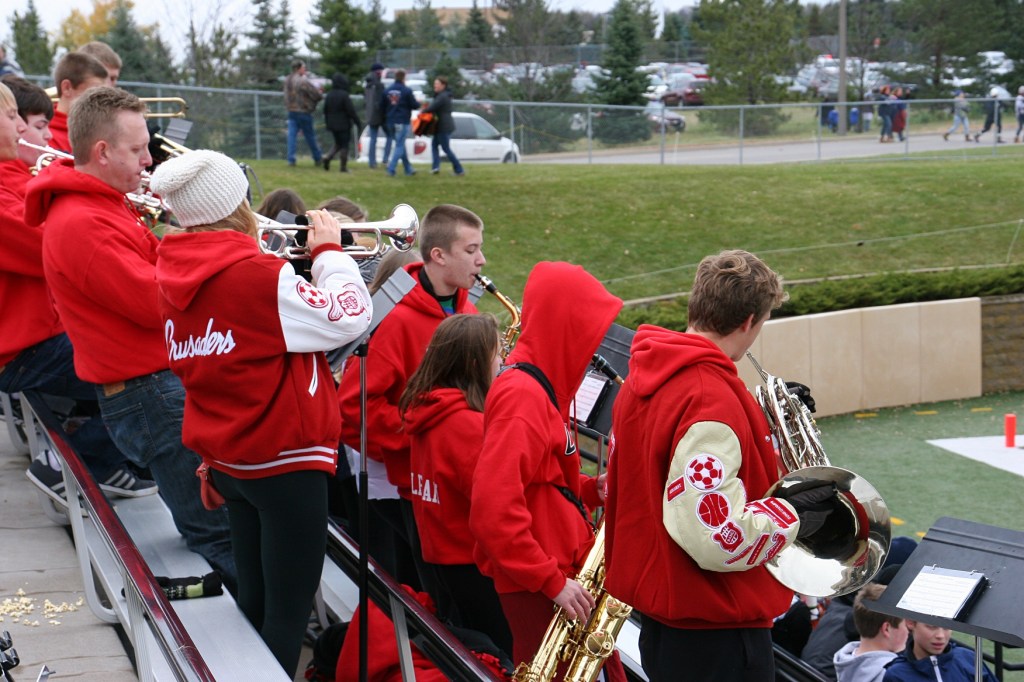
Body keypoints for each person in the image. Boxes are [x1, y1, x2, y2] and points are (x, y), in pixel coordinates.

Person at [150, 149, 372, 677]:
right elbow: (350, 317)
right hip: (284, 461)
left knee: (254, 605)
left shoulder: (173, 271)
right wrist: (331, 256)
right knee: (287, 620)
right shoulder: (255, 274)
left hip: (231, 460)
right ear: (238, 203)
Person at [26, 86, 236, 588]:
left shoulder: (103, 206)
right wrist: (220, 260)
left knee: (226, 523)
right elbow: (154, 301)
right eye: (139, 149)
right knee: (218, 534)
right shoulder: (83, 221)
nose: (149, 160)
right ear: (102, 152)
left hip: (155, 386)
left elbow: (155, 271)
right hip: (149, 394)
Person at [604, 249, 847, 682]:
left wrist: (755, 417)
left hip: (666, 617)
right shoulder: (710, 399)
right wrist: (795, 514)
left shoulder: (649, 375)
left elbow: (672, 461)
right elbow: (718, 535)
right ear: (749, 321)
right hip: (714, 630)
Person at [0, 77, 157, 503]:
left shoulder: (12, 173)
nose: (21, 129)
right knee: (158, 373)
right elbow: (50, 245)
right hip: (21, 348)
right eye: (12, 116)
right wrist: (83, 184)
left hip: (40, 333)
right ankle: (77, 461)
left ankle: (116, 455)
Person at [468, 261, 623, 675]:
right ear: (566, 324)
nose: (595, 344)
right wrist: (550, 580)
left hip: (554, 576)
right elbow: (492, 509)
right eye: (589, 329)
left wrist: (591, 489)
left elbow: (541, 481)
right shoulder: (523, 396)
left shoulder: (540, 388)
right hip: (544, 584)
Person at [337, 204, 484, 592]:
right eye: (471, 251)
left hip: (458, 479)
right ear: (438, 255)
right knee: (436, 592)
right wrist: (420, 438)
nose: (481, 260)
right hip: (414, 485)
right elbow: (352, 407)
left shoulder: (466, 307)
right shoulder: (396, 318)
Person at [399, 313, 513, 656]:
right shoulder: (465, 424)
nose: (502, 362)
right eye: (497, 354)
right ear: (476, 363)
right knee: (498, 654)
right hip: (473, 564)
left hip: (440, 558)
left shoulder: (429, 410)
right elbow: (494, 501)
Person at [833, 584, 908, 682]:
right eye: (906, 624)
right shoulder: (896, 675)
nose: (908, 631)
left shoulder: (846, 662)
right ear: (887, 629)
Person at [881, 620, 997, 682]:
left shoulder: (969, 659)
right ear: (910, 622)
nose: (941, 635)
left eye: (947, 626)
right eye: (931, 626)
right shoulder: (896, 674)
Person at [48, 51, 111, 152]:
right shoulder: (46, 136)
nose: (101, 102)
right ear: (67, 88)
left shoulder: (98, 131)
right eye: (92, 93)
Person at [422, 76, 464, 176]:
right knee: (434, 145)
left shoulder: (442, 96)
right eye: (435, 84)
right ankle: (435, 167)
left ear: (443, 86)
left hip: (443, 126)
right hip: (439, 126)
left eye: (437, 84)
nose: (435, 86)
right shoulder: (441, 95)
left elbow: (432, 107)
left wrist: (423, 111)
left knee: (446, 149)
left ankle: (459, 170)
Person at [284, 58, 323, 167]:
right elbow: (315, 94)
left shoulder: (287, 80)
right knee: (310, 136)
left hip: (291, 111)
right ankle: (317, 158)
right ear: (299, 68)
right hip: (303, 112)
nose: (304, 70)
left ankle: (291, 159)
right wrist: (318, 96)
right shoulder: (302, 81)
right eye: (303, 68)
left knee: (291, 137)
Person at [383, 69, 420, 177]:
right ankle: (391, 169)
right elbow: (414, 105)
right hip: (402, 121)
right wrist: (418, 103)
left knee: (401, 145)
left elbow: (381, 106)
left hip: (390, 121)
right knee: (399, 146)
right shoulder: (406, 91)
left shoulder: (387, 90)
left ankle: (408, 169)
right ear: (404, 77)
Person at [322, 73, 361, 173]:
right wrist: (357, 121)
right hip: (343, 124)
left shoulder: (329, 95)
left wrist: (327, 123)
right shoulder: (344, 95)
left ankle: (328, 157)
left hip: (332, 124)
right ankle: (343, 167)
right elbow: (350, 110)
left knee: (338, 143)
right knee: (344, 145)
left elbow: (325, 110)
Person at [364, 62, 389, 169]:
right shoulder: (379, 85)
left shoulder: (368, 85)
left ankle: (372, 162)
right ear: (378, 72)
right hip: (380, 115)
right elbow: (382, 102)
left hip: (370, 115)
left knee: (373, 139)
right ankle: (385, 159)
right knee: (390, 136)